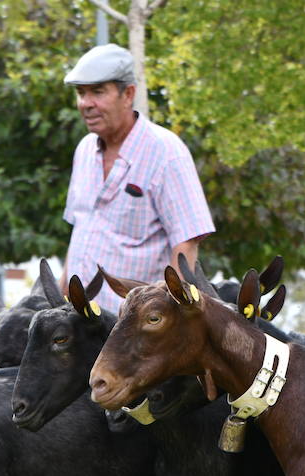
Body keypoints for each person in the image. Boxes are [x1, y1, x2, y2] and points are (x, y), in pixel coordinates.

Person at [62, 43, 215, 312]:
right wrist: (59, 301)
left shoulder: (166, 152)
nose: (86, 103)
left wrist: (167, 319)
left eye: (98, 92)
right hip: (81, 327)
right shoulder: (84, 150)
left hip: (132, 333)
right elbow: (79, 235)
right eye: (80, 93)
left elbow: (186, 245)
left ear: (128, 94)